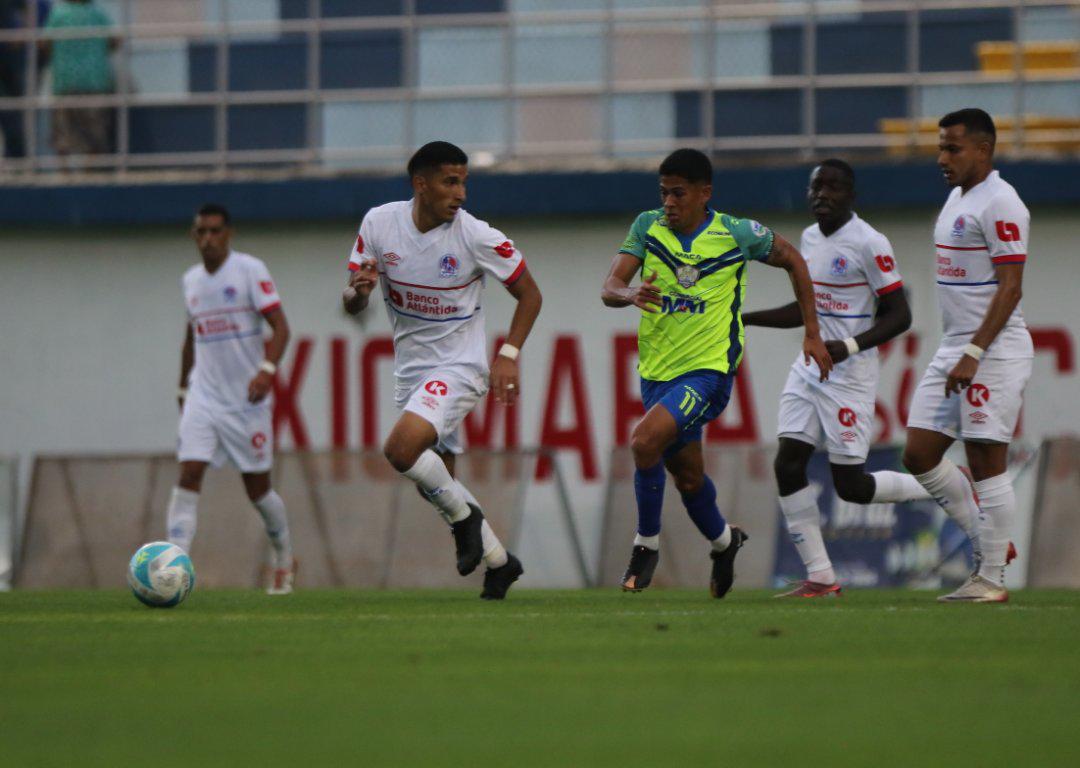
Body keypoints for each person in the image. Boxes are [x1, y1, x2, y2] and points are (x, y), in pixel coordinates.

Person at [601, 148, 832, 597]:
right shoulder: (647, 226)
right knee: (686, 477)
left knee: (643, 441)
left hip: (708, 373)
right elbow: (608, 287)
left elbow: (795, 261)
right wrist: (629, 294)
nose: (668, 202)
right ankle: (726, 542)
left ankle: (646, 545)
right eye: (664, 192)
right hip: (657, 373)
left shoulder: (736, 233)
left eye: (678, 193)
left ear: (704, 193)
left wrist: (813, 332)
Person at [343, 141, 543, 601]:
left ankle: (468, 523)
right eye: (450, 182)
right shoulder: (379, 223)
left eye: (464, 182)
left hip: (461, 366)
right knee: (434, 480)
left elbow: (531, 294)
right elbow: (352, 303)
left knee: (400, 449)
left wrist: (508, 355)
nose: (461, 193)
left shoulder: (476, 236)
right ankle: (499, 562)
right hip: (413, 367)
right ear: (421, 184)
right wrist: (359, 293)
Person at [743, 159, 935, 597]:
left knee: (851, 487)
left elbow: (900, 315)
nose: (821, 195)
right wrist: (745, 318)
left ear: (851, 195)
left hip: (849, 375)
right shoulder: (808, 240)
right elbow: (803, 311)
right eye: (815, 187)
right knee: (788, 462)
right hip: (810, 368)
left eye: (832, 187)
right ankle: (822, 575)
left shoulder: (869, 243)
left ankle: (937, 486)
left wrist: (847, 346)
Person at [902, 108, 1029, 603]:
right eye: (940, 147)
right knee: (919, 452)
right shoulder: (959, 197)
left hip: (991, 349)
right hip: (956, 346)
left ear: (983, 149)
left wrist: (976, 351)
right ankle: (989, 542)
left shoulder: (1001, 203)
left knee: (985, 459)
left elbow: (1012, 288)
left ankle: (992, 578)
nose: (942, 157)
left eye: (953, 148)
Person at [166, 203, 297, 595]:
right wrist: (182, 389)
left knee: (257, 490)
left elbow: (281, 327)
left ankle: (283, 558)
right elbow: (191, 338)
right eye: (201, 232)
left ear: (229, 234)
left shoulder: (249, 271)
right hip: (203, 396)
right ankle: (172, 567)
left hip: (246, 400)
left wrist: (267, 371)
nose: (208, 239)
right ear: (194, 236)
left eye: (215, 231)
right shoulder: (190, 280)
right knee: (189, 473)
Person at [41, 0, 117, 158]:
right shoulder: (97, 13)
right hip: (94, 79)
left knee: (63, 130)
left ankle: (64, 173)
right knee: (94, 130)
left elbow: (44, 43)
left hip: (64, 78)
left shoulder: (58, 14)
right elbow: (115, 41)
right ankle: (89, 171)